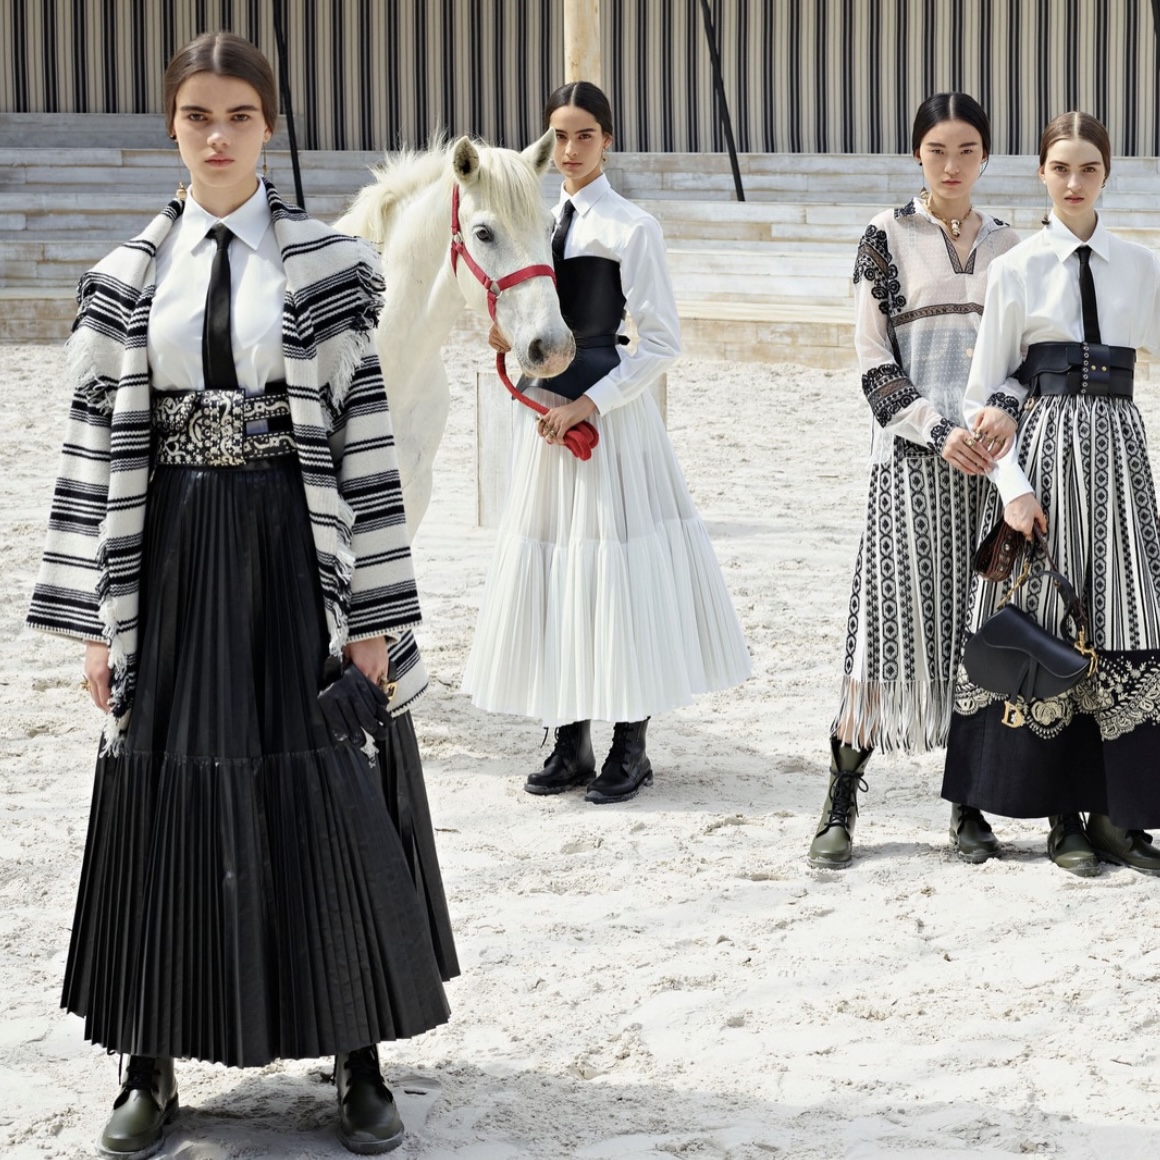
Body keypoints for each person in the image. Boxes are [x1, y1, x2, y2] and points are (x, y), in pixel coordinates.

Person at [27, 33, 457, 1157]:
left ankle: (356, 1054)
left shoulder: (326, 266)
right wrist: (98, 624)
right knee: (160, 790)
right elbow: (90, 454)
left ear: (271, 126)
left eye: (239, 117)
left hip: (292, 553)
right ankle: (149, 1058)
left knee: (327, 780)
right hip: (168, 556)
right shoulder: (125, 276)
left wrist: (375, 617)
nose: (217, 138)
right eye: (196, 117)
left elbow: (368, 444)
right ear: (171, 127)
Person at [462, 80, 750, 804]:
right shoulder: (535, 218)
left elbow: (661, 342)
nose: (569, 150)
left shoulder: (630, 227)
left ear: (607, 140)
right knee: (557, 575)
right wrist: (504, 335)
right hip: (546, 416)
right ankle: (570, 742)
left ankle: (630, 746)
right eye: (559, 136)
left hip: (609, 418)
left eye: (584, 135)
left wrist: (591, 404)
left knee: (619, 578)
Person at [942, 111, 1160, 878]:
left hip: (1121, 461)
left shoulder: (1141, 265)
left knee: (1125, 616)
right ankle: (1058, 817)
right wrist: (1012, 490)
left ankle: (1115, 817)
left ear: (1107, 174)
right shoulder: (1018, 267)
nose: (1074, 182)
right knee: (1046, 625)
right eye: (1061, 168)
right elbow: (980, 396)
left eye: (1088, 168)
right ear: (1041, 172)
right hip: (1045, 462)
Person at [808, 93, 1019, 869]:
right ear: (916, 155)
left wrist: (999, 414)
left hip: (990, 471)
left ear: (986, 156)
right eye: (937, 150)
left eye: (966, 150)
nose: (951, 165)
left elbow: (1024, 359)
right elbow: (872, 362)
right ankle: (840, 799)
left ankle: (968, 804)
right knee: (884, 628)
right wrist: (937, 430)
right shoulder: (884, 236)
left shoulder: (1011, 247)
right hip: (906, 465)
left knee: (978, 633)